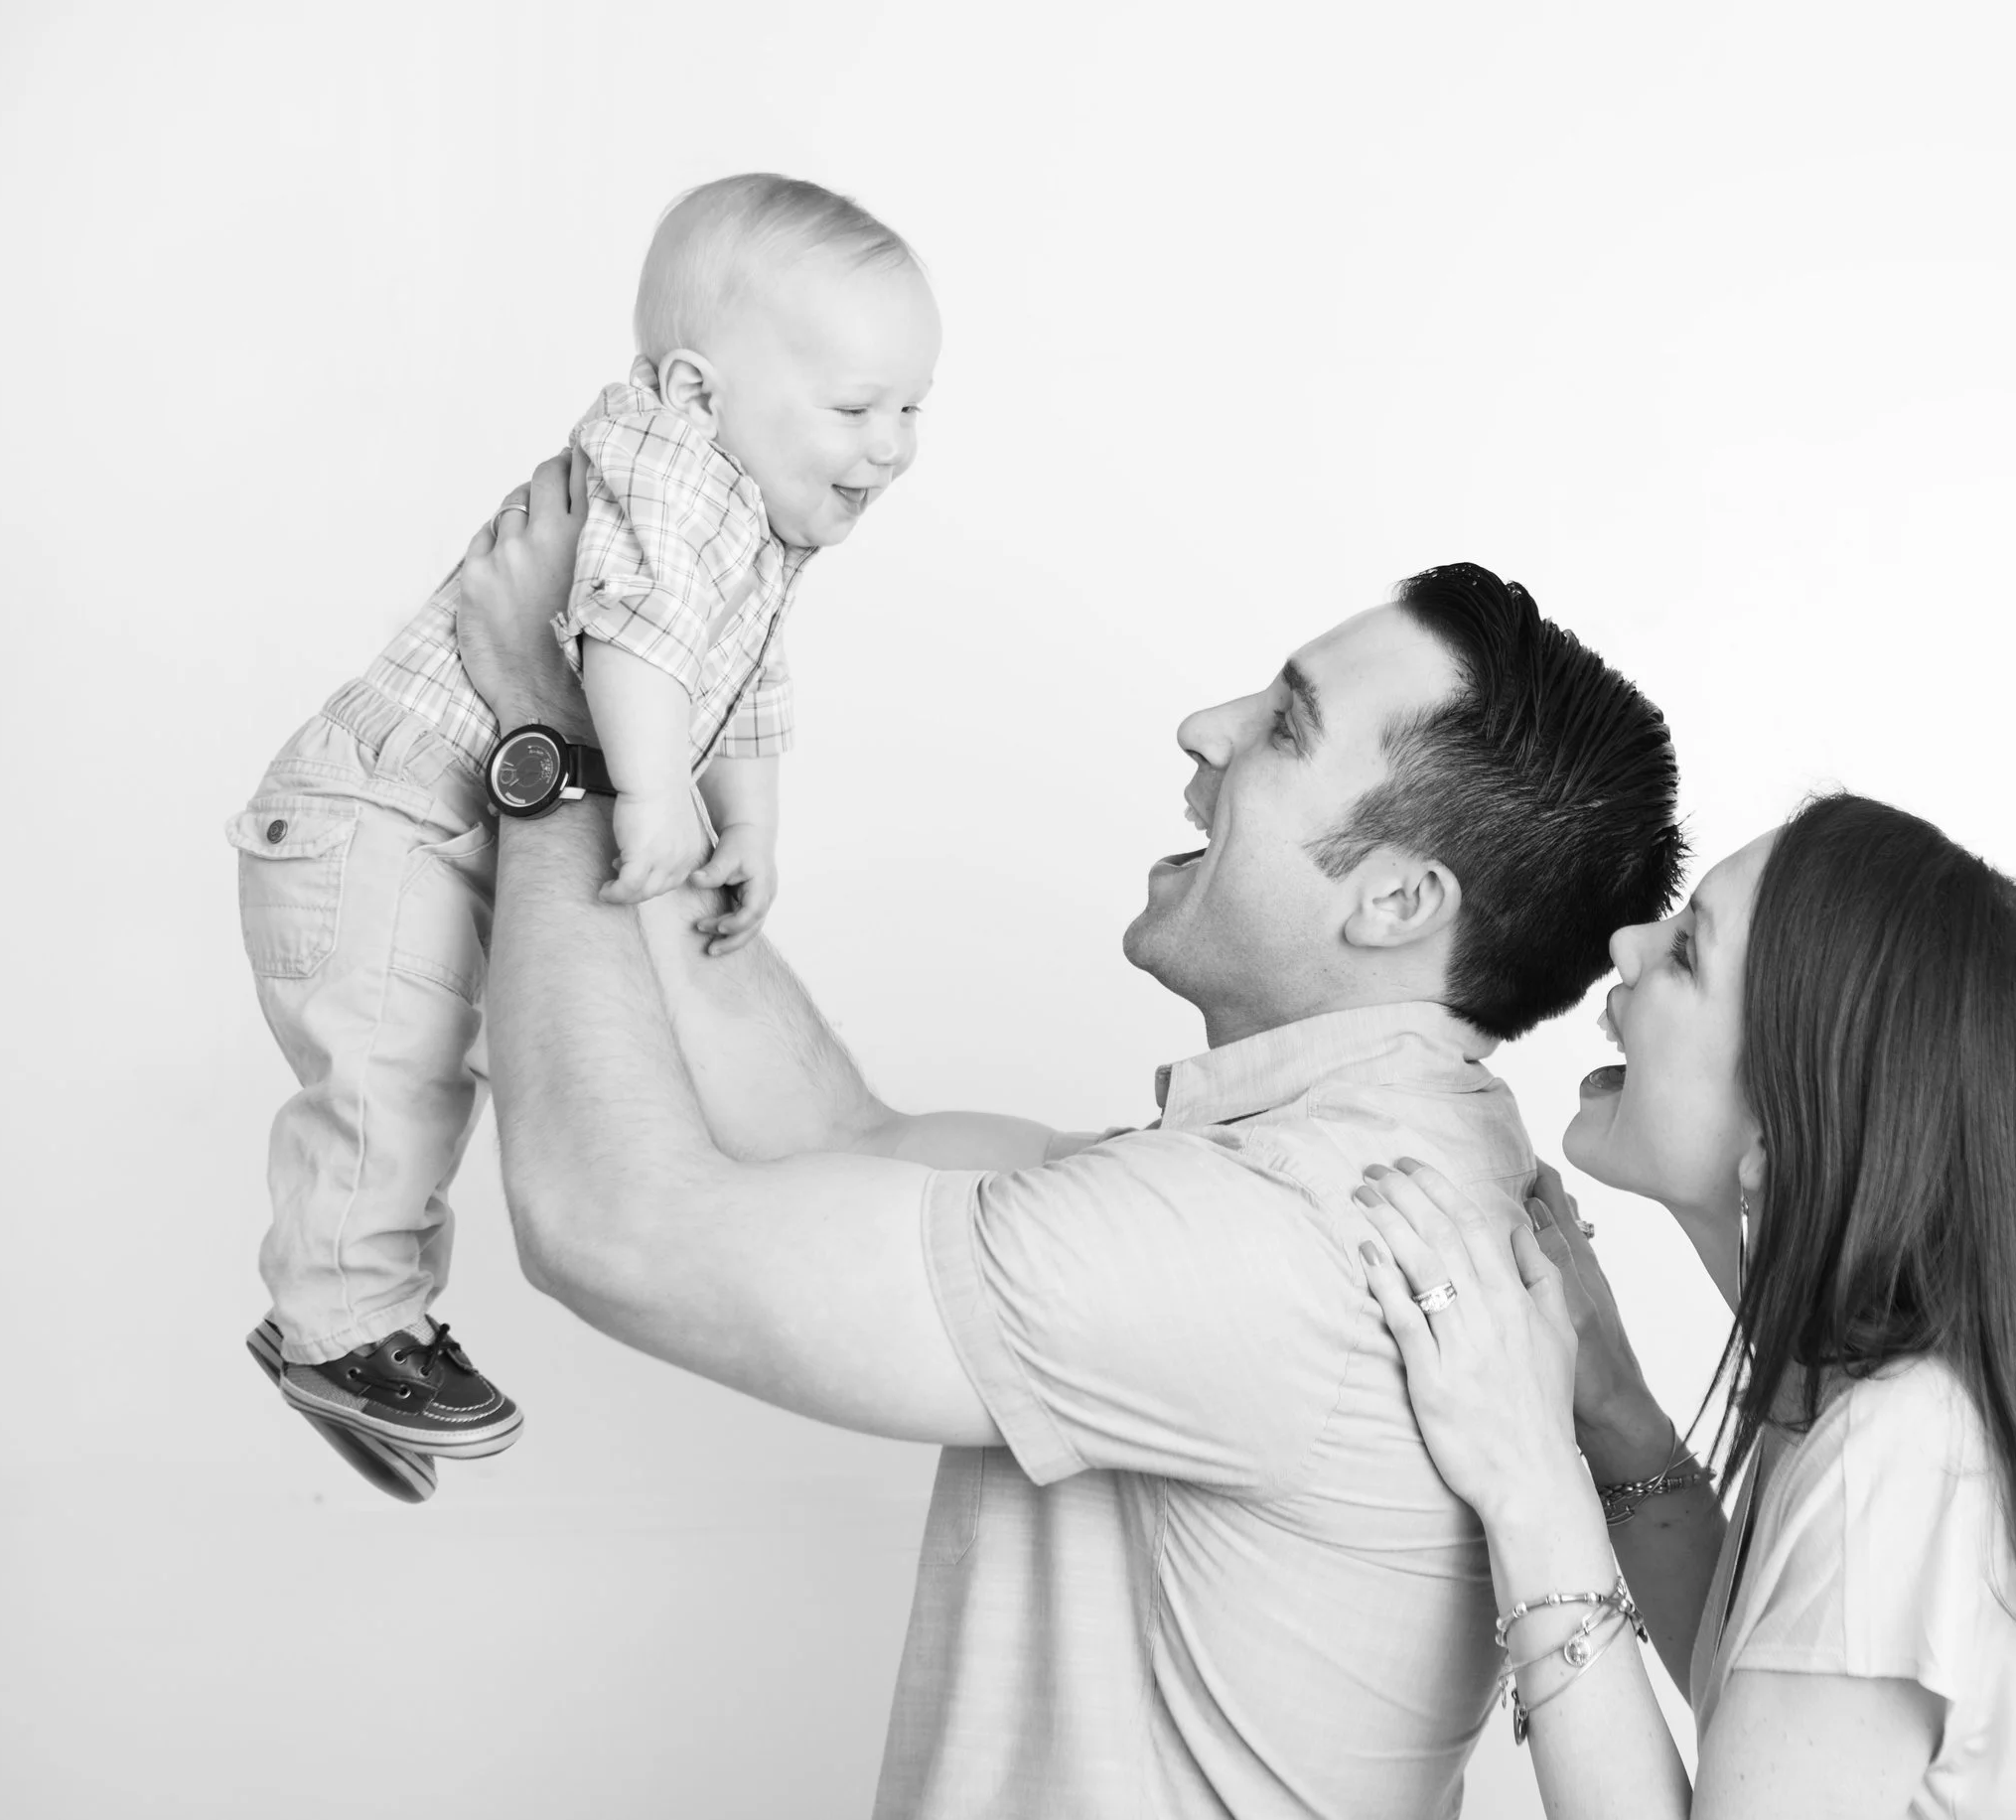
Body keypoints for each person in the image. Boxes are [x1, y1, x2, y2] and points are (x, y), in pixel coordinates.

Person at [449, 452, 1686, 1817]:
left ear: (1395, 902)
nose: (1204, 727)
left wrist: (545, 751)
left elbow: (610, 1229)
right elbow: (841, 1134)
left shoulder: (1270, 1235)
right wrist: (636, 762)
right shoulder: (1363, 1157)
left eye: (1285, 728)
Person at [226, 176, 940, 1498]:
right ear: (697, 389)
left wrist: (748, 821)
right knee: (393, 1074)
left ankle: (351, 1323)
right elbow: (634, 639)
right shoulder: (669, 471)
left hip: (447, 825)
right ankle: (339, 1324)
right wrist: (653, 795)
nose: (893, 446)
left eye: (912, 409)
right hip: (380, 818)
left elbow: (746, 681)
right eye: (857, 408)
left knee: (457, 1073)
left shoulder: (746, 519)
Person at [1352, 794, 2016, 1817]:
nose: (1627, 945)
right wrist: (1616, 1417)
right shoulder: (1898, 1411)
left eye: (1687, 953)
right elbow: (1782, 1720)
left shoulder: (1903, 1462)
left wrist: (1527, 1485)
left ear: (1782, 1136)